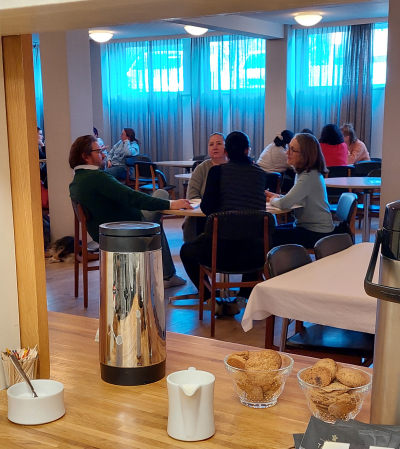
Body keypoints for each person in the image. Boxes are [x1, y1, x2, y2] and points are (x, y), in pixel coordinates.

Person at [69, 135, 192, 288]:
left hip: (104, 233)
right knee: (161, 194)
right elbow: (131, 197)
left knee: (155, 222)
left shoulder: (76, 181)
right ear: (86, 156)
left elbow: (127, 197)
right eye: (99, 152)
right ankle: (167, 275)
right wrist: (171, 204)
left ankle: (167, 275)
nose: (104, 155)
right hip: (126, 230)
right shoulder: (97, 177)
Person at [180, 131, 268, 305]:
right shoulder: (260, 174)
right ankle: (243, 297)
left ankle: (209, 297)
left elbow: (207, 208)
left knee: (186, 251)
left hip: (220, 252)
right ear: (247, 150)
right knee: (253, 234)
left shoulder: (217, 172)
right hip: (255, 254)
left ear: (226, 152)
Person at [266, 133, 335, 248]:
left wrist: (273, 199)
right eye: (288, 148)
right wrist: (277, 197)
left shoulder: (308, 177)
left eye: (292, 150)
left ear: (305, 155)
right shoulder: (306, 173)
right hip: (308, 228)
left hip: (317, 233)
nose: (287, 152)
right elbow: (295, 199)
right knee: (270, 231)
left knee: (268, 236)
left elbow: (284, 204)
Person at [182, 132, 228, 243]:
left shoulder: (232, 167)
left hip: (227, 213)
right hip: (202, 213)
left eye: (219, 143)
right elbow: (192, 196)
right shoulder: (201, 169)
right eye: (211, 144)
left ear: (226, 148)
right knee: (192, 222)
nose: (215, 147)